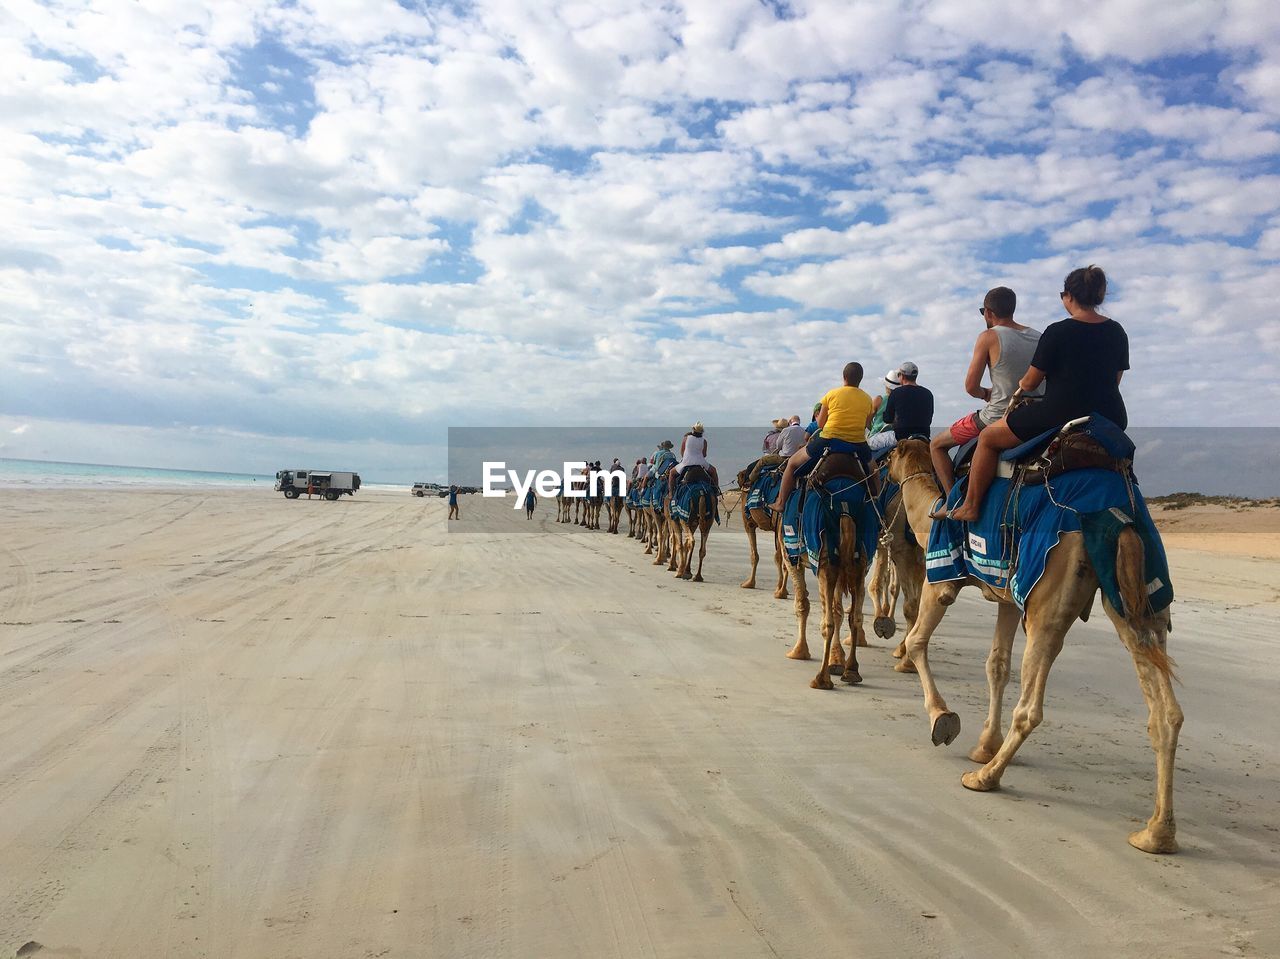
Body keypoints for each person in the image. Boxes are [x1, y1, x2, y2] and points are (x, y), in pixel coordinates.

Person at [944, 265, 1127, 523]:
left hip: (1059, 414)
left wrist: (1022, 380)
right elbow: (1115, 380)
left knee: (987, 438)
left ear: (1069, 297)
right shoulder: (1117, 331)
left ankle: (971, 506)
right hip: (1110, 417)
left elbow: (1029, 383)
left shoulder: (1058, 331)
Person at [930, 287, 1042, 493]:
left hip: (999, 416)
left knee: (936, 445)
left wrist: (985, 393)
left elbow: (970, 387)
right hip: (1037, 415)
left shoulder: (988, 337)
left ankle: (950, 500)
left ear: (989, 312)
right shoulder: (1039, 336)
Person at [768, 362, 875, 512]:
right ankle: (877, 506)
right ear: (861, 379)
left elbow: (820, 423)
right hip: (857, 443)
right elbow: (866, 424)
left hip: (829, 440)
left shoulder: (831, 394)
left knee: (792, 463)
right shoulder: (868, 399)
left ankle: (780, 503)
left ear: (844, 377)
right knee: (874, 471)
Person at [881, 361, 933, 442]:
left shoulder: (896, 392)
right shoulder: (928, 393)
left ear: (901, 376)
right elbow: (929, 419)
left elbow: (888, 419)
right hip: (924, 437)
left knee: (870, 444)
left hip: (902, 437)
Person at [670, 422, 720, 494]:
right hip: (701, 463)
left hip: (686, 463)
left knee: (671, 473)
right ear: (702, 432)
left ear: (693, 429)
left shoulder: (686, 438)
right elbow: (704, 455)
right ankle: (716, 490)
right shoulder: (704, 441)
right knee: (713, 471)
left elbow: (682, 452)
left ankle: (671, 493)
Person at [867, 369, 902, 453]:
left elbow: (867, 422)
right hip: (896, 435)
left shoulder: (879, 400)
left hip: (877, 436)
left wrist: (873, 429)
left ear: (886, 385)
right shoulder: (901, 402)